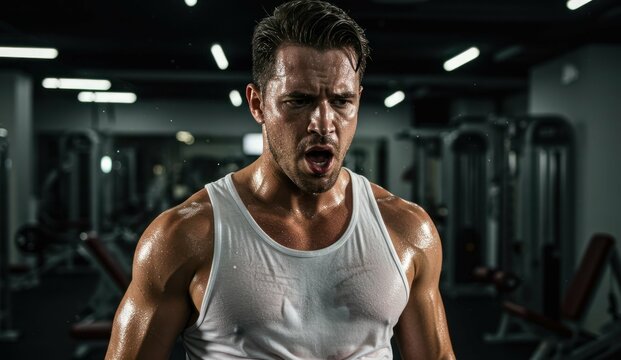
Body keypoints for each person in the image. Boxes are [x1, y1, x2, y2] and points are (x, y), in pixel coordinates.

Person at [105, 1, 455, 359]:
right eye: (299, 100)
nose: (323, 123)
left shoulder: (407, 230)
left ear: (358, 102)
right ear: (258, 104)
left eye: (341, 101)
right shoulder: (186, 236)